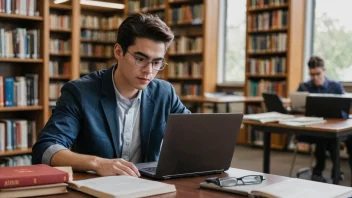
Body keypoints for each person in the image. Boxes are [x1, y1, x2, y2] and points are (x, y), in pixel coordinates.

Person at [32, 13, 190, 177]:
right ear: (118, 51)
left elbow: (194, 133)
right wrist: (97, 164)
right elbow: (45, 149)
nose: (149, 71)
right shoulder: (79, 92)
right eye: (140, 58)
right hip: (98, 188)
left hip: (150, 187)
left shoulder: (164, 93)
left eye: (157, 62)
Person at [297, 56, 352, 183]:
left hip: (333, 128)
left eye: (318, 73)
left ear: (324, 71)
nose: (315, 77)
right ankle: (334, 171)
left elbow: (348, 108)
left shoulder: (336, 86)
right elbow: (295, 106)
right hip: (310, 129)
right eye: (312, 74)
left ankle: (319, 170)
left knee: (331, 136)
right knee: (326, 136)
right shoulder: (304, 87)